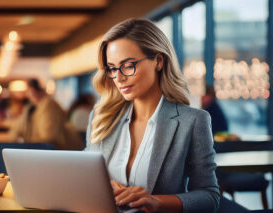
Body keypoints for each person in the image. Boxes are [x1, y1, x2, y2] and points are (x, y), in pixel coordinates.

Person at [85, 18, 220, 213]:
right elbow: (84, 172)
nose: (119, 77)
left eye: (128, 65)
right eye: (112, 68)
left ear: (158, 60)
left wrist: (155, 201)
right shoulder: (101, 117)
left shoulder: (192, 121)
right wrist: (101, 184)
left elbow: (209, 197)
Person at [9, 79, 83, 150]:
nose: (30, 94)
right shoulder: (31, 108)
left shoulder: (48, 105)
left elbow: (50, 138)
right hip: (47, 151)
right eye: (29, 91)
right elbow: (15, 130)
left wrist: (26, 141)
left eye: (32, 91)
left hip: (61, 152)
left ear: (40, 91)